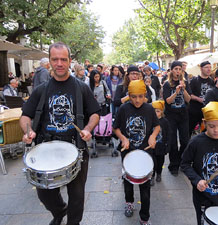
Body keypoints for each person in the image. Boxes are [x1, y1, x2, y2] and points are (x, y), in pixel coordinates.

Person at [20, 42, 101, 225]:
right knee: (45, 193)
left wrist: (88, 129)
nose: (59, 63)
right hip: (46, 148)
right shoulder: (41, 90)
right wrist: (28, 130)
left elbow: (95, 113)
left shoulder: (81, 88)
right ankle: (59, 211)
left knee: (77, 196)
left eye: (63, 59)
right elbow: (25, 116)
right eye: (55, 59)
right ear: (49, 61)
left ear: (69, 61)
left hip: (76, 148)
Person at [113, 80, 160, 225]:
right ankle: (129, 202)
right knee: (128, 181)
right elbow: (116, 128)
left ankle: (144, 217)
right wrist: (123, 138)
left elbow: (157, 126)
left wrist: (152, 136)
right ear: (129, 95)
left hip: (145, 153)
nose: (137, 100)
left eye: (140, 96)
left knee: (145, 188)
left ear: (145, 95)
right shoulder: (123, 109)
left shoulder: (149, 109)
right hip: (129, 152)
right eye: (133, 97)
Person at [163, 60, 191, 176]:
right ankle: (173, 165)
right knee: (173, 142)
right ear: (172, 70)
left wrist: (183, 89)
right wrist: (176, 92)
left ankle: (180, 161)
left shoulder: (185, 82)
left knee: (185, 141)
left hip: (183, 115)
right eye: (176, 69)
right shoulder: (167, 84)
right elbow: (168, 101)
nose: (178, 71)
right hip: (171, 116)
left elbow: (188, 99)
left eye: (180, 69)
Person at [188, 61, 214, 136]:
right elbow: (189, 95)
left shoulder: (211, 81)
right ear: (201, 69)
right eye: (206, 67)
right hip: (194, 111)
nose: (209, 69)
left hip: (206, 111)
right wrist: (198, 99)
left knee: (206, 132)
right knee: (189, 131)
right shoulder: (194, 80)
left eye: (210, 67)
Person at [151, 100, 170, 185]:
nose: (156, 113)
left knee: (160, 162)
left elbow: (169, 134)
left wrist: (168, 145)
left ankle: (159, 173)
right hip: (152, 146)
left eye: (158, 111)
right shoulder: (150, 121)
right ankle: (152, 176)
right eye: (154, 111)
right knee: (152, 162)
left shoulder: (165, 122)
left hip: (161, 146)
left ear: (162, 112)